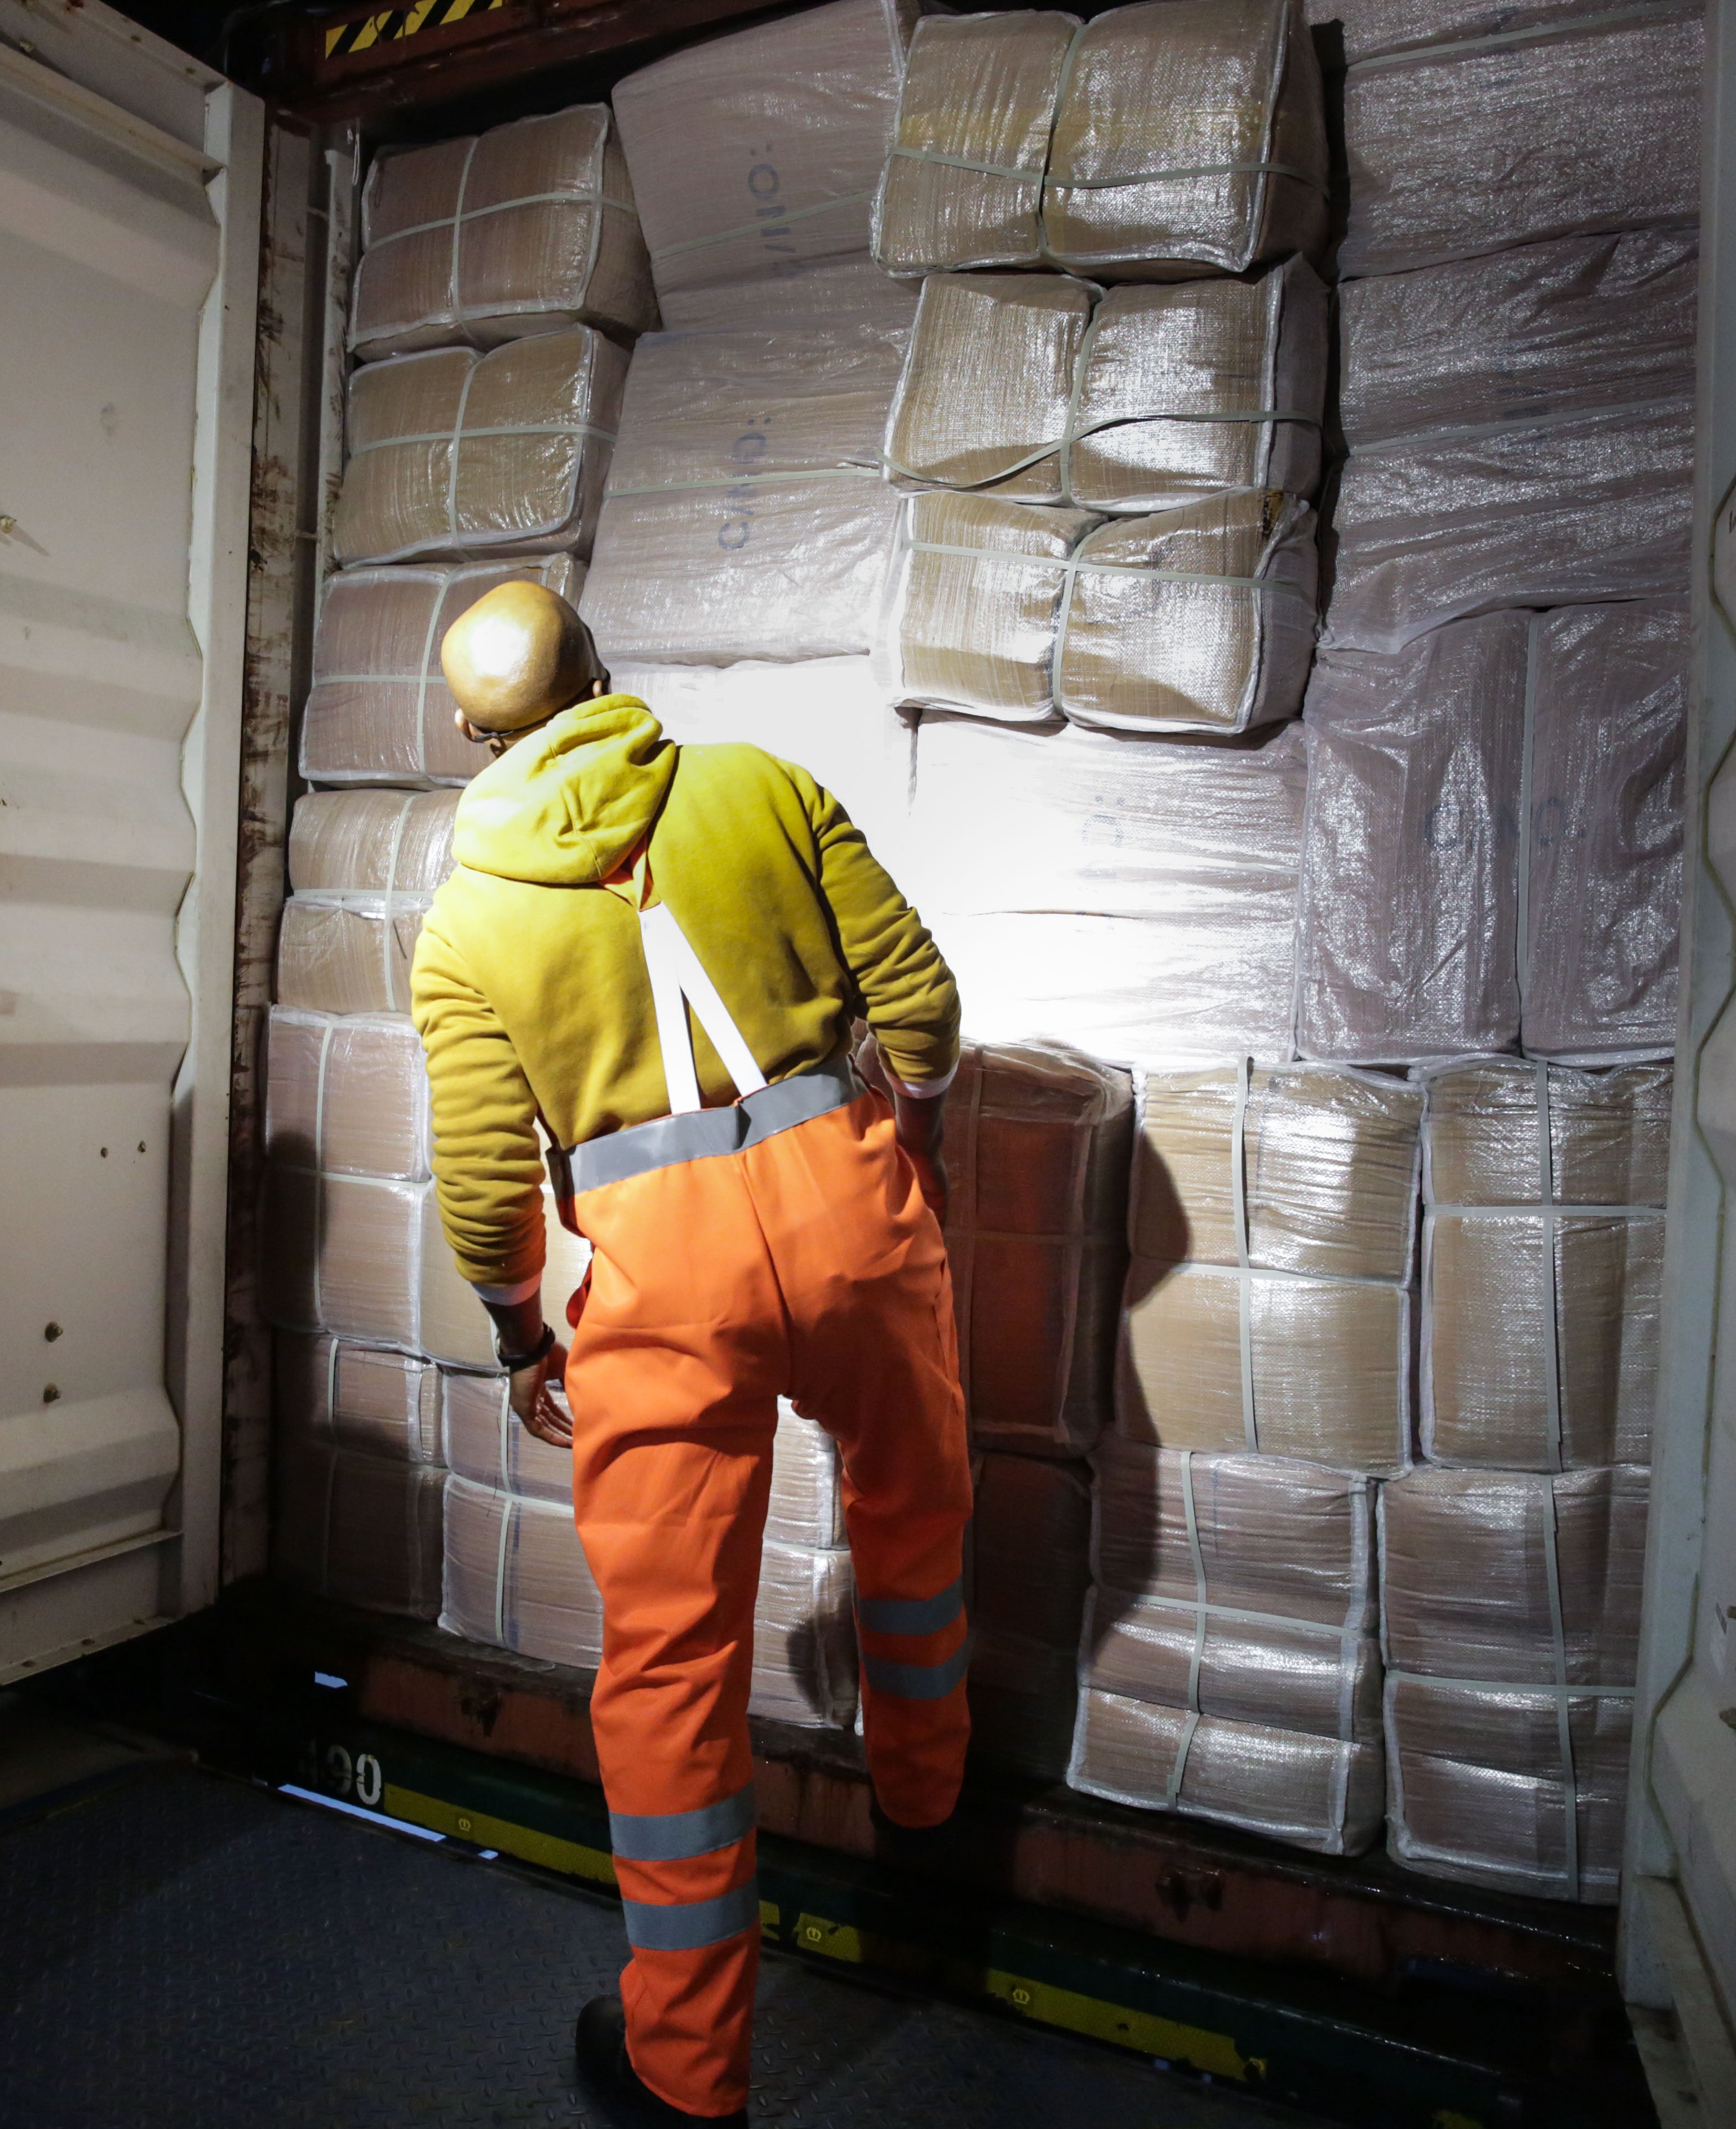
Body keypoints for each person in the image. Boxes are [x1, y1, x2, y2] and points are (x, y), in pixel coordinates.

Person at [407, 582, 975, 2127]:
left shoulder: (467, 923)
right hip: (851, 1215)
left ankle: (687, 2067)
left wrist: (525, 1330)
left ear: (473, 734)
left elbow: (482, 1182)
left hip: (659, 1285)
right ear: (605, 671)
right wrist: (898, 1139)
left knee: (671, 1668)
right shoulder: (760, 786)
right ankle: (928, 1820)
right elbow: (921, 1009)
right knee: (912, 1523)